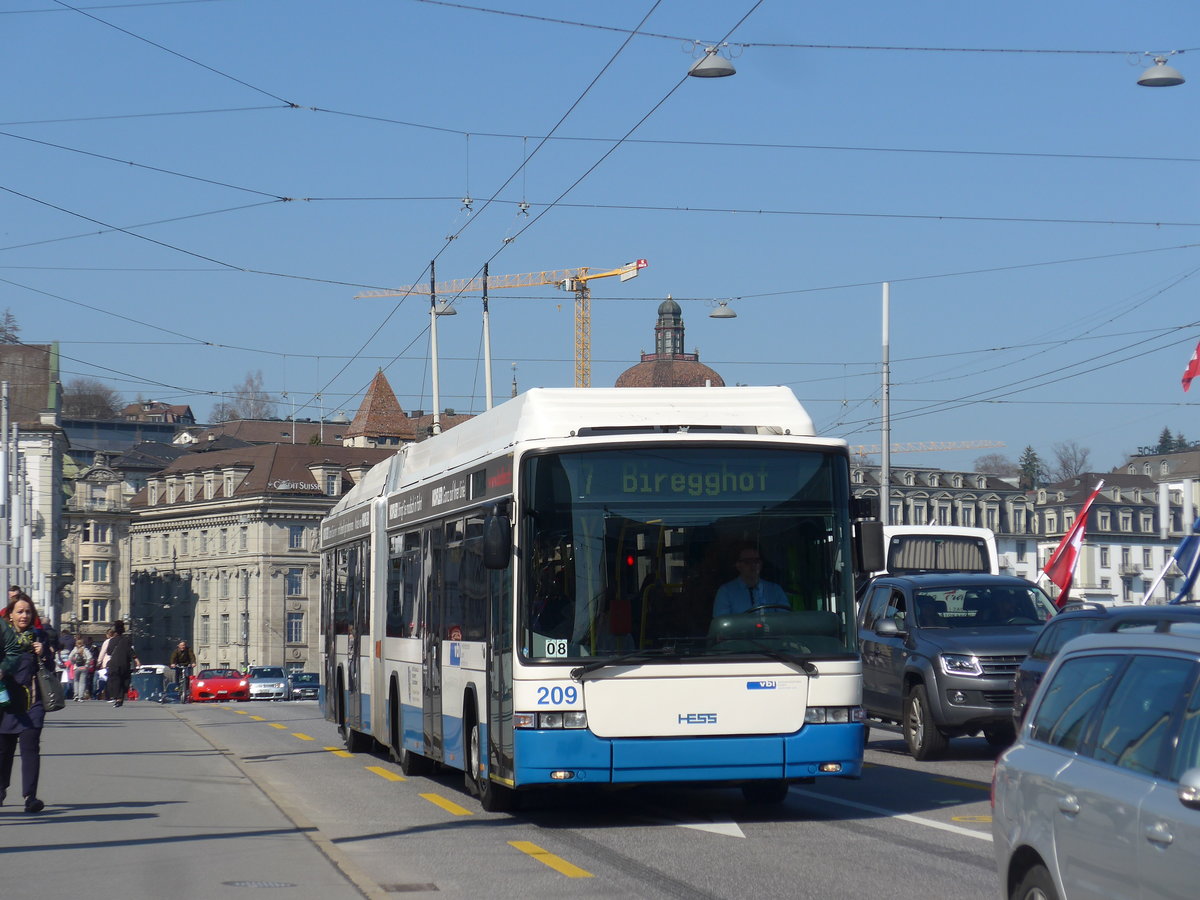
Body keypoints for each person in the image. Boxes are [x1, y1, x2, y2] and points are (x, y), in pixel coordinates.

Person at [0, 594, 55, 813]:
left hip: (33, 702)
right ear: (10, 615)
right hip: (6, 703)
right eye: (20, 611)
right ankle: (1, 790)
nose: (24, 615)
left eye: (28, 611)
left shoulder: (39, 636)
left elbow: (50, 669)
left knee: (30, 747)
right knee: (3, 751)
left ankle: (30, 796)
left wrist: (44, 655)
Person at [712, 546, 790, 617]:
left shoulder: (775, 590)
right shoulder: (726, 592)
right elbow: (722, 623)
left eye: (756, 561)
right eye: (747, 562)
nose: (753, 565)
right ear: (738, 565)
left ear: (761, 564)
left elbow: (785, 619)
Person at [104, 621, 138, 708]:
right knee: (124, 680)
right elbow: (130, 651)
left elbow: (109, 652)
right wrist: (136, 660)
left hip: (114, 664)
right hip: (125, 663)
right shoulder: (126, 640)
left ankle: (118, 698)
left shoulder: (111, 641)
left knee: (116, 681)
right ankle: (120, 698)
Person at [68, 636, 94, 702]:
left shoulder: (75, 649)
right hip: (84, 667)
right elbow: (90, 657)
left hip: (76, 667)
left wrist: (73, 663)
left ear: (76, 644)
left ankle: (75, 695)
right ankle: (81, 696)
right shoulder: (85, 649)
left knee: (76, 681)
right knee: (82, 682)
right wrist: (87, 664)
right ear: (83, 643)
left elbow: (70, 657)